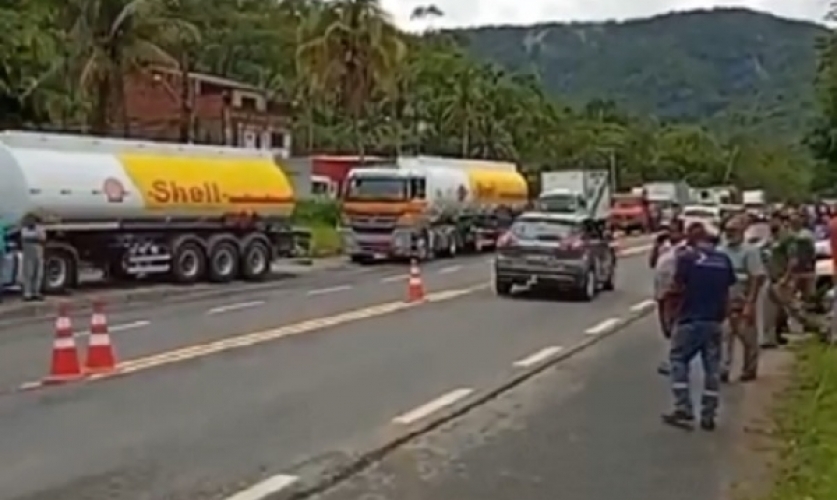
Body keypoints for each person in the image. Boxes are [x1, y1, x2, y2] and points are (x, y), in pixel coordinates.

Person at [663, 221, 734, 431]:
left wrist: (669, 312)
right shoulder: (723, 260)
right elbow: (728, 292)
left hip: (690, 319)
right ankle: (709, 413)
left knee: (678, 360)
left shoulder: (688, 259)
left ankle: (683, 407)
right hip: (714, 320)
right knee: (712, 367)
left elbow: (677, 287)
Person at [718, 215, 766, 382]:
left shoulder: (750, 251)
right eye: (727, 231)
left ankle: (749, 369)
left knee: (747, 337)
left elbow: (757, 278)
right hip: (724, 298)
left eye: (734, 230)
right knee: (724, 336)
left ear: (742, 232)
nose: (730, 234)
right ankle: (723, 369)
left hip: (743, 297)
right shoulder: (721, 251)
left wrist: (750, 303)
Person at [653, 219, 686, 376]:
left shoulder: (685, 248)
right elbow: (652, 263)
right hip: (661, 290)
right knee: (666, 328)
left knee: (675, 325)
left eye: (673, 230)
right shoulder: (664, 246)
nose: (670, 234)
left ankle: (676, 360)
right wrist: (656, 245)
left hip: (675, 292)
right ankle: (675, 357)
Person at [20, 213, 46, 301]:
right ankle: (28, 293)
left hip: (37, 248)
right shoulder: (25, 228)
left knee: (38, 271)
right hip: (29, 248)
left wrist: (36, 237)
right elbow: (25, 238)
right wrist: (36, 237)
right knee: (28, 271)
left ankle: (36, 292)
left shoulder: (39, 227)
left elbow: (42, 238)